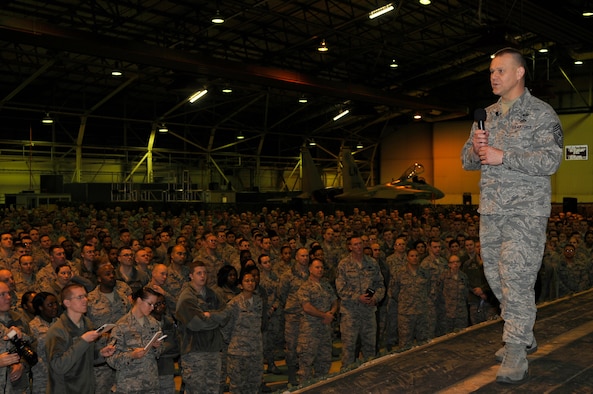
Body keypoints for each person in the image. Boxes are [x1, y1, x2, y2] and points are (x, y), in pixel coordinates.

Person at [461, 47, 563, 384]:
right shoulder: (486, 114)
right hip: (491, 210)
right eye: (491, 71)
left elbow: (550, 160)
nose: (493, 76)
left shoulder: (541, 114)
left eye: (500, 70)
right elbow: (467, 161)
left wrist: (504, 155)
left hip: (525, 211)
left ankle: (516, 347)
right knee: (497, 278)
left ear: (519, 73)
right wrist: (476, 151)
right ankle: (523, 330)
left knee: (517, 278)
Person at [45, 283, 116, 393]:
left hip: (85, 388)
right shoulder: (58, 330)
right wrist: (83, 341)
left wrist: (100, 354)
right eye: (79, 297)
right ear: (67, 302)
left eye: (85, 296)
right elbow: (59, 366)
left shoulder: (86, 323)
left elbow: (85, 358)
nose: (85, 300)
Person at [175, 261, 229, 394]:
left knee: (214, 388)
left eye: (205, 273)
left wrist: (210, 315)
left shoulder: (212, 294)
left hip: (214, 349)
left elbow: (226, 315)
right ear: (191, 276)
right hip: (194, 351)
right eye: (199, 273)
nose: (203, 276)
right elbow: (196, 324)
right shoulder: (186, 297)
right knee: (196, 389)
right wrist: (216, 318)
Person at [335, 236, 384, 370]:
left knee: (370, 347)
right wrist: (358, 297)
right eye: (355, 244)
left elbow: (380, 285)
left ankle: (369, 376)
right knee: (349, 348)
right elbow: (340, 289)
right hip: (351, 314)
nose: (359, 247)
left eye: (360, 244)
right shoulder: (344, 264)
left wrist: (375, 298)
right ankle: (346, 377)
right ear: (350, 247)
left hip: (368, 312)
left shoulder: (372, 263)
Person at [106, 287, 163, 394]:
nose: (152, 308)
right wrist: (132, 355)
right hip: (129, 386)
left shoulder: (154, 323)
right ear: (139, 300)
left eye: (154, 305)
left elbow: (159, 352)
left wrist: (157, 346)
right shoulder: (121, 326)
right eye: (149, 304)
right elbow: (111, 359)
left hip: (151, 384)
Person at [221, 270, 263, 394]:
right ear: (240, 285)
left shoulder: (259, 301)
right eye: (247, 281)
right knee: (238, 386)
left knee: (254, 384)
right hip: (238, 351)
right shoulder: (234, 303)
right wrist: (232, 343)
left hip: (255, 349)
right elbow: (226, 326)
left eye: (252, 281)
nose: (250, 283)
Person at [296, 258, 338, 381]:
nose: (320, 270)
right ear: (310, 269)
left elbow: (334, 301)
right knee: (306, 364)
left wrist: (331, 313)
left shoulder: (326, 285)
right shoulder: (305, 287)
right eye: (317, 267)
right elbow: (307, 307)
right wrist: (324, 315)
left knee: (324, 362)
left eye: (322, 268)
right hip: (310, 330)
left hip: (325, 329)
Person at [28, 292, 59, 394]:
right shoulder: (32, 327)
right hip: (42, 377)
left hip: (62, 374)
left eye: (56, 303)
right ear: (40, 307)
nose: (55, 307)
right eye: (50, 305)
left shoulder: (61, 323)